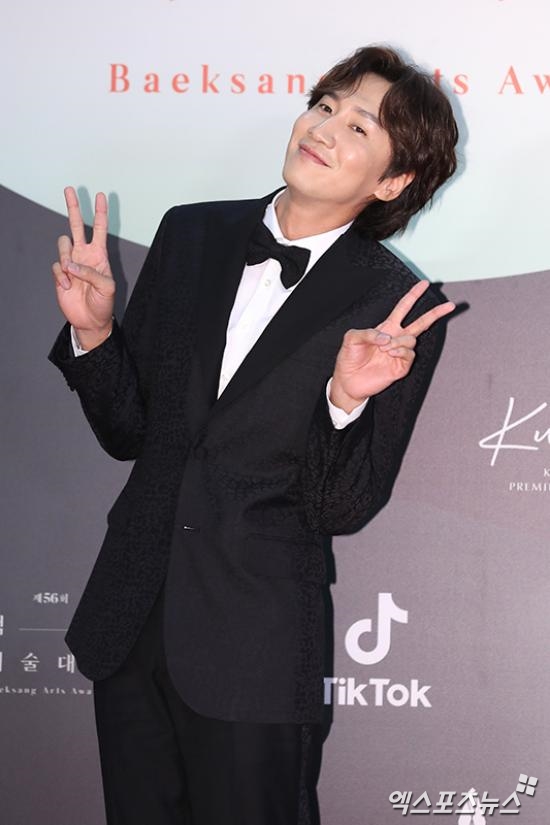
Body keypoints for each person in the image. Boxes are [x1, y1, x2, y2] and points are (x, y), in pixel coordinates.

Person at [49, 45, 457, 825]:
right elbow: (129, 433)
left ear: (394, 180)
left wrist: (344, 397)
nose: (324, 128)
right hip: (130, 616)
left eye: (360, 127)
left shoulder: (396, 306)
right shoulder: (190, 233)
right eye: (325, 106)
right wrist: (95, 335)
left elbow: (343, 505)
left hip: (255, 647)